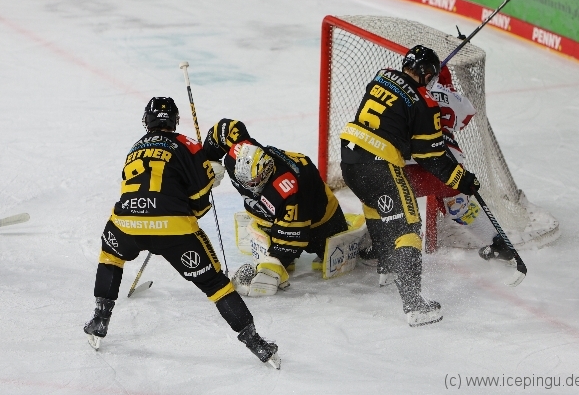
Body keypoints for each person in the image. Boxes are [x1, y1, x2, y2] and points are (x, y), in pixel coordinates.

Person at [83, 97, 280, 368]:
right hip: (174, 230)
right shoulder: (188, 144)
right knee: (216, 285)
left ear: (147, 120)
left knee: (110, 256)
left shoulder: (135, 147)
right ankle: (256, 343)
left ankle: (100, 319)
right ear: (175, 120)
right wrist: (208, 180)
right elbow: (199, 206)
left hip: (127, 223)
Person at [339, 45, 481, 327]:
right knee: (408, 227)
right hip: (379, 163)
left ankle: (387, 267)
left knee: (377, 206)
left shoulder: (382, 75)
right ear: (427, 74)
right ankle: (415, 305)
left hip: (349, 158)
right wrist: (462, 179)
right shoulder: (425, 103)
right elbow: (431, 158)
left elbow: (393, 114)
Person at [359, 65, 497, 261]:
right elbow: (465, 116)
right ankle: (496, 241)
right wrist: (447, 92)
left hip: (410, 166)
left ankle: (385, 243)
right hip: (447, 166)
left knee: (381, 192)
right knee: (460, 206)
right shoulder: (445, 95)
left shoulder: (399, 89)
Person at [202, 119, 348, 296]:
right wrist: (206, 161)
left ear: (267, 168)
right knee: (274, 245)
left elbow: (291, 238)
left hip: (320, 217)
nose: (252, 187)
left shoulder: (286, 190)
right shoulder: (239, 154)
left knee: (330, 254)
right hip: (273, 216)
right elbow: (225, 128)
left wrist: (273, 267)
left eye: (256, 181)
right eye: (248, 183)